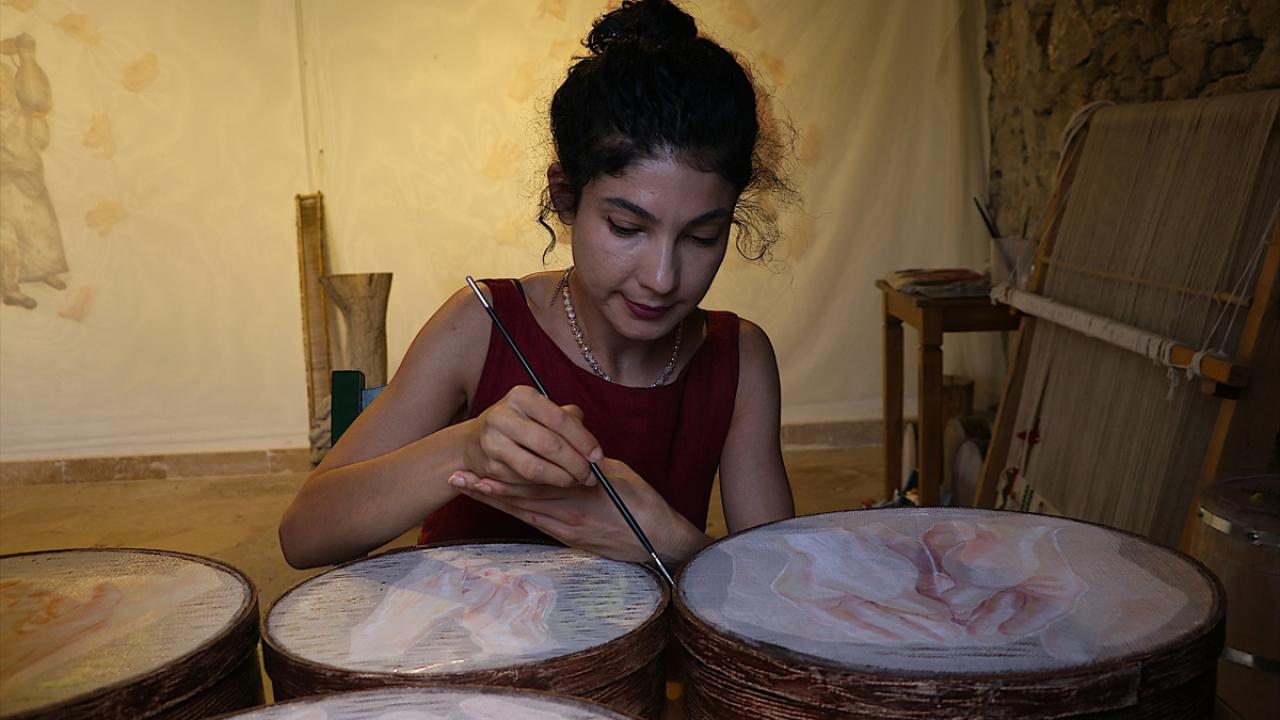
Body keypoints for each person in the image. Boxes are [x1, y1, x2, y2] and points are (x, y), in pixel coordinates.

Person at [279, 0, 796, 570]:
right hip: (464, 627)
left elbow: (775, 594)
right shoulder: (481, 324)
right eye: (626, 228)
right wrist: (465, 448)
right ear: (565, 197)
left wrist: (666, 541)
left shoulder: (739, 358)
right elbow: (304, 536)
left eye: (702, 236)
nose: (661, 278)